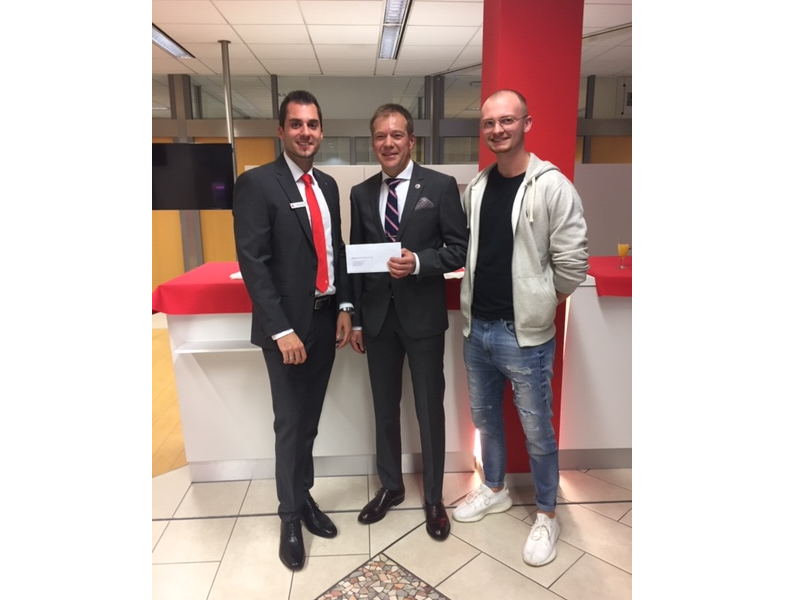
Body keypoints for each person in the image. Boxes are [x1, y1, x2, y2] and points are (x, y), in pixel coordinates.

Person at [452, 89, 589, 567]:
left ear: (526, 123)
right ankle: (495, 489)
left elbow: (572, 264)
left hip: (524, 336)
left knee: (537, 431)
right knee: (486, 420)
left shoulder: (552, 187)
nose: (497, 130)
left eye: (507, 120)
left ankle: (548, 514)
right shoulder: (477, 188)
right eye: (489, 123)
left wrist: (540, 302)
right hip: (477, 331)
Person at [232, 90, 353, 571]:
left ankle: (303, 498)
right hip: (287, 331)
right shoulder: (257, 183)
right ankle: (288, 518)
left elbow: (335, 249)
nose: (306, 132)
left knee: (310, 422)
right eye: (297, 124)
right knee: (289, 424)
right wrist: (281, 330)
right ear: (281, 130)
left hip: (325, 320)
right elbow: (254, 263)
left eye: (313, 124)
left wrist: (345, 305)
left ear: (321, 131)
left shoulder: (328, 185)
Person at [348, 104, 468, 541]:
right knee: (384, 408)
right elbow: (357, 258)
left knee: (428, 408)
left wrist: (419, 262)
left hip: (423, 318)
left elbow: (459, 249)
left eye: (396, 135)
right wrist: (355, 320)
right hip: (378, 320)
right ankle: (391, 486)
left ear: (411, 140)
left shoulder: (439, 186)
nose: (388, 143)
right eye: (381, 136)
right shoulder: (361, 194)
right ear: (373, 142)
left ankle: (434, 497)